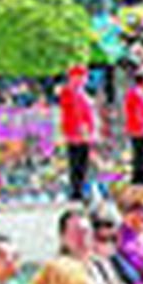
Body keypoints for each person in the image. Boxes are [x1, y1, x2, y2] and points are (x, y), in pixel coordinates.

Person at [59, 64, 99, 202]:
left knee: (82, 163)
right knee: (77, 162)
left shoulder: (80, 92)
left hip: (82, 133)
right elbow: (75, 113)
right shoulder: (71, 92)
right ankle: (77, 191)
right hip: (78, 134)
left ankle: (79, 189)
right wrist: (83, 129)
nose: (84, 79)